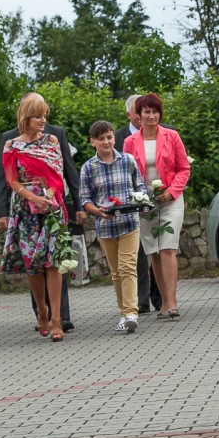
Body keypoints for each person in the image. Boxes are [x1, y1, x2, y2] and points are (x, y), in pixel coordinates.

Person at [0, 97, 83, 333]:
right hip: (25, 211)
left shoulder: (51, 140)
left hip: (52, 208)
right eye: (38, 116)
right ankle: (41, 312)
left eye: (45, 115)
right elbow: (11, 180)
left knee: (53, 262)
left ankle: (56, 320)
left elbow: (58, 173)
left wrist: (49, 197)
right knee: (33, 265)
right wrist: (34, 199)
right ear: (26, 118)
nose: (43, 120)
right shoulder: (11, 145)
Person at [124, 93, 192, 319]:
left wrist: (172, 192)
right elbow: (128, 174)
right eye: (146, 112)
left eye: (155, 111)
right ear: (138, 116)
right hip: (145, 203)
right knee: (153, 251)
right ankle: (163, 303)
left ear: (159, 114)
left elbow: (184, 168)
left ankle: (172, 303)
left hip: (171, 199)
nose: (151, 116)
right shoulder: (129, 142)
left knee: (168, 249)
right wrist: (141, 197)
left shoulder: (172, 136)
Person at [80, 120, 148, 334]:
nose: (106, 141)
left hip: (129, 223)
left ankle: (131, 313)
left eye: (109, 137)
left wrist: (142, 203)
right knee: (116, 272)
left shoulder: (127, 161)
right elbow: (85, 198)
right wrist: (97, 211)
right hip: (106, 226)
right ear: (93, 142)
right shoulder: (88, 167)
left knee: (128, 266)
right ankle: (124, 312)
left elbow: (141, 187)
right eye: (101, 139)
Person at [121, 94, 161, 315]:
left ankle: (160, 297)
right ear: (131, 114)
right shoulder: (119, 138)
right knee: (137, 254)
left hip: (161, 199)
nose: (144, 116)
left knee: (158, 249)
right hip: (133, 203)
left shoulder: (166, 132)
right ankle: (140, 301)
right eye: (140, 111)